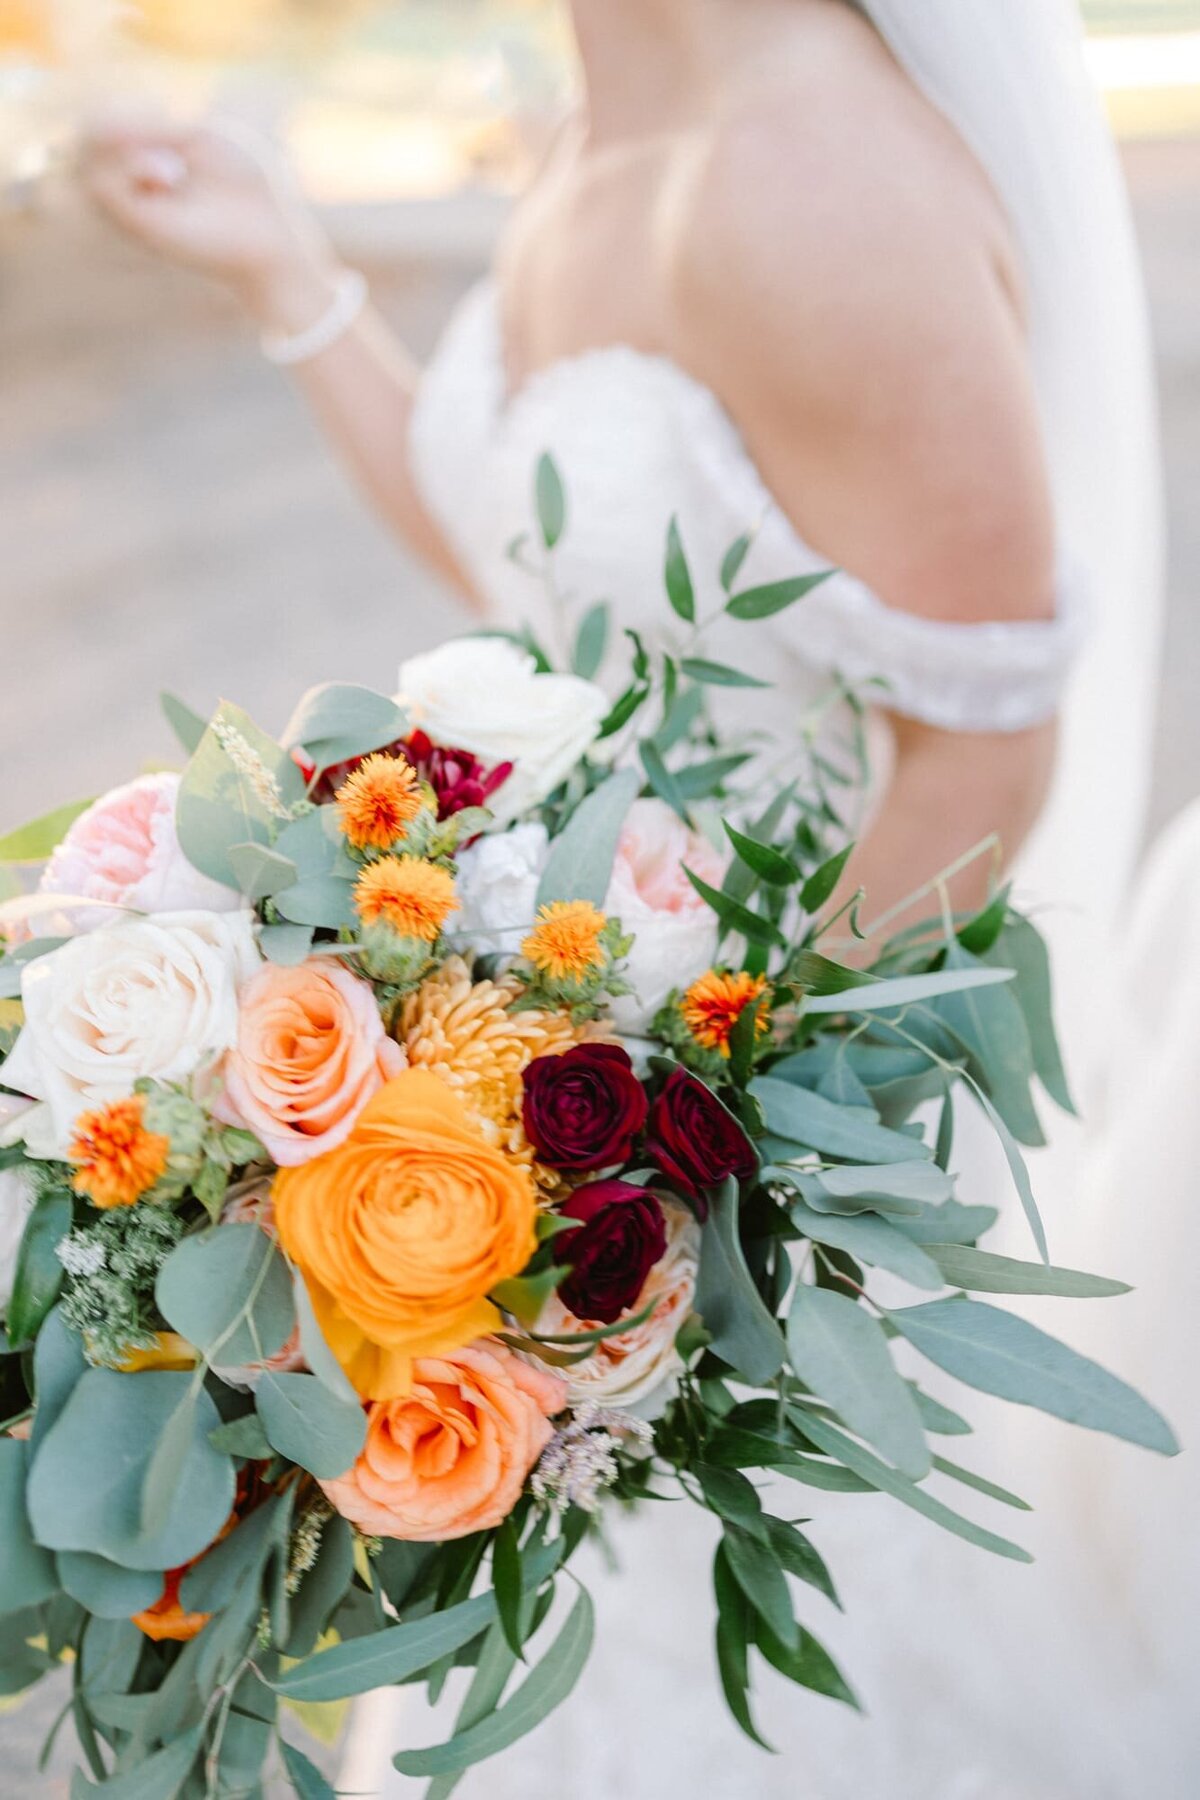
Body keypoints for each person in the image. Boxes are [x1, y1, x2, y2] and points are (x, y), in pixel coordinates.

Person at [84, 2, 1177, 1794]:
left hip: (764, 1187)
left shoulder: (819, 180)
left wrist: (662, 1154)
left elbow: (983, 754)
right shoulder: (611, 114)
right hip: (572, 1108)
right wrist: (287, 274)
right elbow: (553, 571)